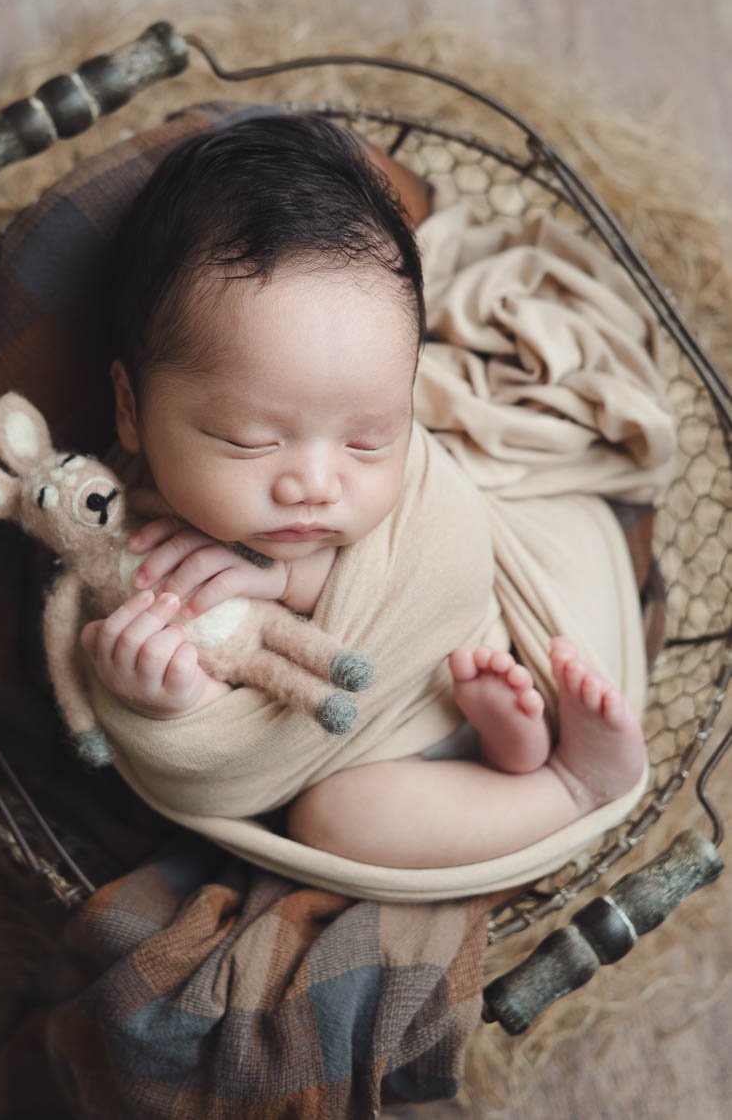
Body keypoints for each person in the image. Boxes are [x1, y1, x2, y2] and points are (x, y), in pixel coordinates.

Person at [79, 113, 646, 869]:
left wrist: (295, 578)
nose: (316, 485)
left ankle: (562, 770)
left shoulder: (404, 470)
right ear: (131, 409)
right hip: (368, 769)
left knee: (480, 665)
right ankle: (554, 782)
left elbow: (453, 550)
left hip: (464, 649)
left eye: (369, 439)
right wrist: (168, 704)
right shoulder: (117, 531)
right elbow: (216, 778)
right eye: (251, 441)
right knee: (335, 818)